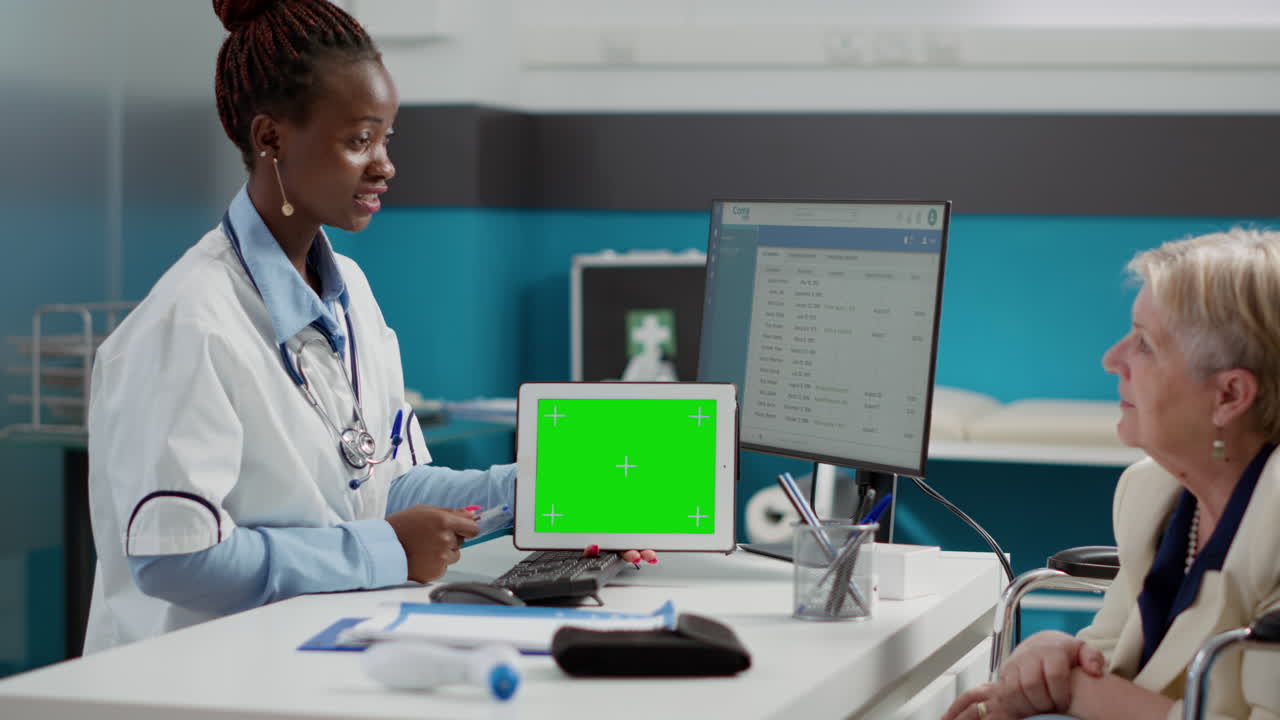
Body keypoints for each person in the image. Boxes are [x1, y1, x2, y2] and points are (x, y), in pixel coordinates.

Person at [84, 0, 654, 653]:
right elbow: (175, 560)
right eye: (359, 140)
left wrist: (554, 494)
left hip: (310, 653)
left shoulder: (349, 291)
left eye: (387, 138)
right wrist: (382, 550)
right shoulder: (189, 324)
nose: (384, 164)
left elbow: (386, 484)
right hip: (190, 677)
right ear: (271, 139)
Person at [944, 228, 1280, 720]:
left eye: (1144, 344)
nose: (1112, 359)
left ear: (1230, 395)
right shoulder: (1151, 492)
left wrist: (1078, 692)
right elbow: (1107, 655)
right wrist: (1055, 655)